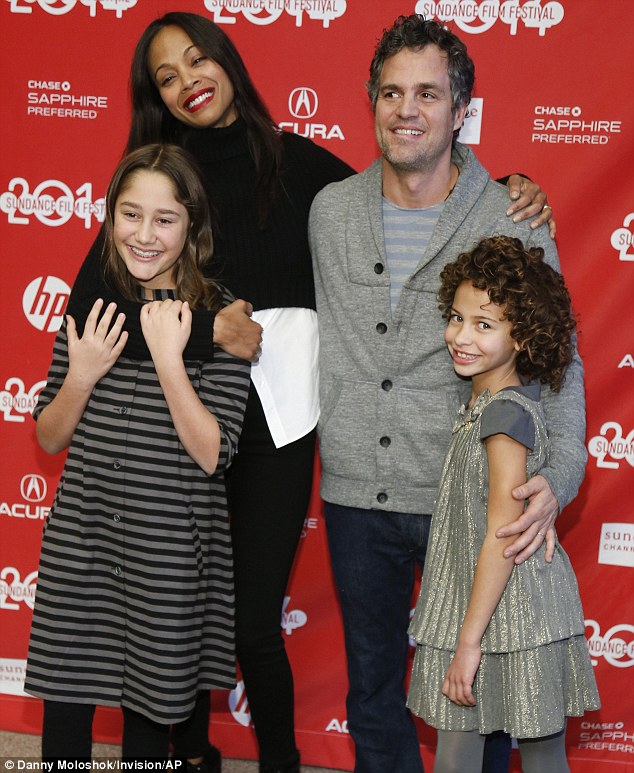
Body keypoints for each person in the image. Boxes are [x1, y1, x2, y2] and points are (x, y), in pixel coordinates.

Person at [65, 13, 552, 773]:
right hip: (176, 423)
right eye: (167, 75)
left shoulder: (307, 174)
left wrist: (518, 185)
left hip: (280, 431)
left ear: (229, 62)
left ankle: (281, 761)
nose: (189, 80)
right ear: (154, 96)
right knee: (181, 615)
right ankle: (189, 756)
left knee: (256, 622)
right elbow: (91, 302)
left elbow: (415, 176)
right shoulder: (154, 177)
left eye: (199, 59)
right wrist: (209, 333)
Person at [308, 14, 587, 773]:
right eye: (392, 92)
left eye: (428, 93)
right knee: (373, 688)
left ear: (462, 109)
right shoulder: (328, 210)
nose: (408, 109)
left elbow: (560, 364)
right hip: (356, 495)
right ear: (370, 102)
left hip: (466, 496)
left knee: (480, 697)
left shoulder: (507, 214)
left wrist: (555, 484)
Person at [26, 144, 251, 760]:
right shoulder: (91, 305)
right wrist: (82, 374)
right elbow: (48, 435)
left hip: (170, 549)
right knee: (65, 710)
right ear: (109, 217)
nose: (144, 235)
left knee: (153, 720)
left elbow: (214, 454)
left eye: (165, 219)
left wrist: (171, 361)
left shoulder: (222, 318)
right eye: (130, 215)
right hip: (85, 538)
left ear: (192, 228)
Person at [407, 235, 600, 772]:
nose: (460, 336)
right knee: (471, 752)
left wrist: (467, 643)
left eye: (483, 325)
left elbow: (501, 533)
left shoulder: (503, 417)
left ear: (524, 335)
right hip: (489, 607)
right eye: (456, 317)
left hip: (511, 614)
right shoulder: (486, 407)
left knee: (530, 759)